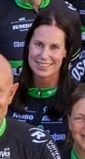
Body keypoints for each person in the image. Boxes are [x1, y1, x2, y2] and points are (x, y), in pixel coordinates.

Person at [10, 11, 80, 151]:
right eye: (39, 44)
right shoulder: (8, 91)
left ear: (66, 51)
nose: (44, 55)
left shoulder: (79, 97)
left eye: (54, 47)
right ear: (28, 45)